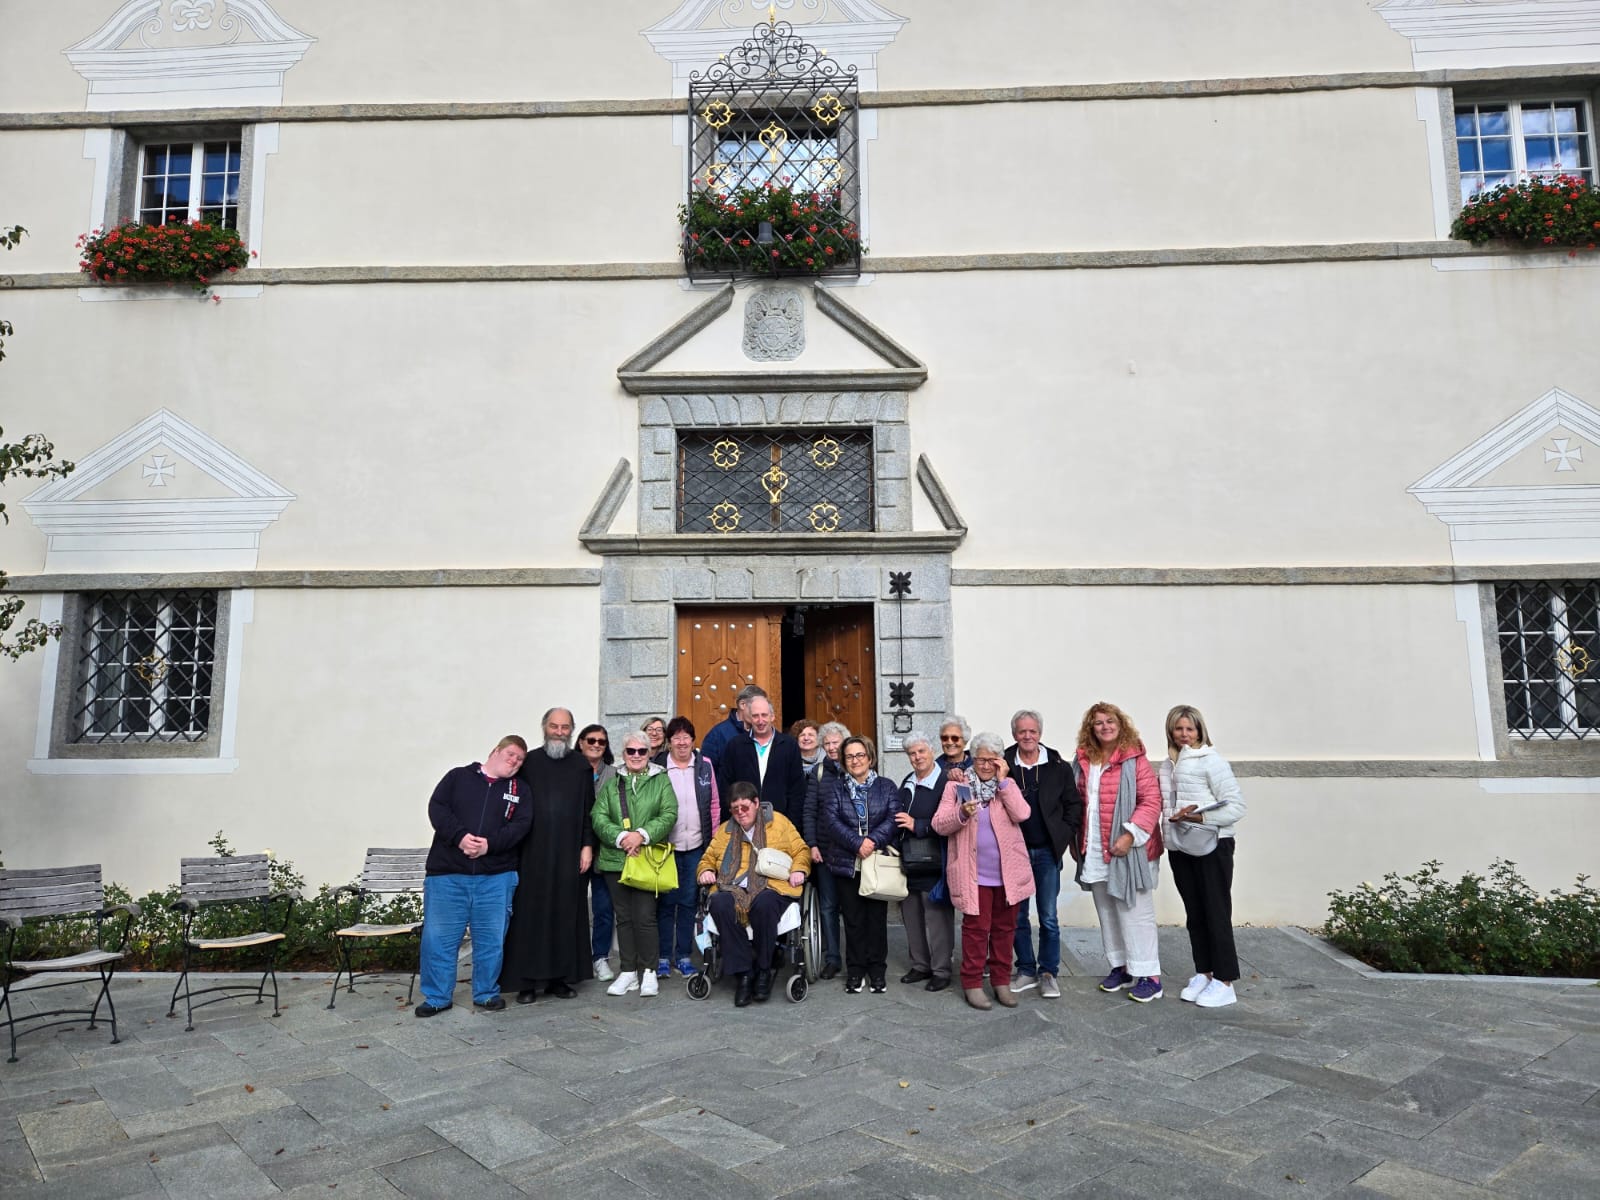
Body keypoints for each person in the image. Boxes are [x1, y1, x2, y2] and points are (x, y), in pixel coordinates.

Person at [417, 735, 533, 1017]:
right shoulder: (458, 777)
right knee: (439, 939)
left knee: (491, 940)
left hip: (496, 877)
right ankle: (437, 997)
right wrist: (460, 838)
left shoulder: (520, 790)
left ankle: (485, 993)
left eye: (520, 759)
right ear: (495, 751)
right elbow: (437, 808)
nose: (515, 761)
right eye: (510, 754)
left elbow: (521, 825)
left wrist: (489, 845)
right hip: (448, 875)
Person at [500, 709, 598, 1003]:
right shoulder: (529, 762)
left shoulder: (581, 765)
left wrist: (587, 846)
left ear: (571, 731)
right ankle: (528, 982)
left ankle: (561, 978)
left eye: (564, 727)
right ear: (545, 728)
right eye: (554, 726)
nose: (559, 732)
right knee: (530, 915)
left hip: (570, 852)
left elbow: (587, 810)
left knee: (566, 913)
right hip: (533, 852)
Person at [933, 732, 1035, 1011]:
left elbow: (1022, 814)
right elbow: (939, 824)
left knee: (1005, 930)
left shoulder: (1008, 785)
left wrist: (1003, 782)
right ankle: (973, 983)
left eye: (992, 760)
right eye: (981, 759)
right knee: (976, 931)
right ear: (972, 759)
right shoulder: (956, 786)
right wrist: (962, 814)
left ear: (1000, 761)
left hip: (1008, 874)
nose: (986, 765)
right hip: (973, 874)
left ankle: (1001, 981)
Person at [1072, 702, 1164, 1003]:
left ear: (1120, 724)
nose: (1104, 726)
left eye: (1110, 721)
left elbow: (1151, 801)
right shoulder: (1084, 760)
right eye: (1097, 722)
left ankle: (1150, 975)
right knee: (1107, 910)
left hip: (1129, 850)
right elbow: (1078, 801)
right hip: (1097, 848)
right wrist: (1078, 843)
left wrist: (1130, 835)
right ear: (1091, 728)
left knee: (1136, 912)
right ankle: (1120, 967)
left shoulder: (1134, 759)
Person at [1159, 704, 1246, 1009]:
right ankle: (1204, 973)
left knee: (1216, 912)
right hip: (1181, 847)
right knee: (1195, 913)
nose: (1184, 734)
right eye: (1178, 728)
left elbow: (1236, 807)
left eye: (1190, 729)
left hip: (1213, 845)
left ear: (1199, 731)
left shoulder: (1212, 761)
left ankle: (1225, 981)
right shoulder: (1168, 765)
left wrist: (1200, 819)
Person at [696, 781, 810, 1006]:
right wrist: (706, 870)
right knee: (719, 903)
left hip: (771, 885)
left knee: (763, 904)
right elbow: (708, 857)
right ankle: (744, 974)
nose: (740, 813)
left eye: (745, 807)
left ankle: (763, 969)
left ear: (757, 803)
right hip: (733, 886)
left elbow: (801, 850)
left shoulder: (778, 823)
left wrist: (799, 869)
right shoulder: (726, 830)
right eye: (735, 809)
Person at [591, 732, 677, 997]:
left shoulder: (661, 780)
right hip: (616, 859)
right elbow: (598, 815)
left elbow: (669, 813)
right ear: (623, 753)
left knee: (645, 917)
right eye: (631, 751)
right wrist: (621, 838)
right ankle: (628, 971)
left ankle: (649, 970)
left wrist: (641, 836)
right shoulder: (612, 781)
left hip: (645, 858)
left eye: (642, 751)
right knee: (624, 918)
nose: (637, 756)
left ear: (650, 752)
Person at [1006, 709, 1084, 1000]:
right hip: (1014, 854)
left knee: (1049, 916)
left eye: (1033, 731)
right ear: (1015, 734)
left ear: (1040, 733)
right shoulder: (1004, 763)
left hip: (1047, 852)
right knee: (1017, 916)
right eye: (1022, 731)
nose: (1027, 736)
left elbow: (1072, 805)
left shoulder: (1057, 765)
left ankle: (1048, 972)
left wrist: (1063, 836)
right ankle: (1025, 968)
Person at [817, 735, 900, 993]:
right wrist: (857, 843)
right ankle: (855, 971)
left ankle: (877, 970)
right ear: (843, 761)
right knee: (852, 920)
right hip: (847, 863)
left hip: (876, 863)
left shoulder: (886, 786)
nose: (855, 761)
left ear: (870, 758)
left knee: (876, 919)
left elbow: (893, 817)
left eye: (860, 755)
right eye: (850, 756)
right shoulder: (835, 789)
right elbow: (831, 822)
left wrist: (872, 841)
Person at [657, 715, 720, 978]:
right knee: (665, 903)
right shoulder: (658, 766)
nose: (682, 742)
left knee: (687, 902)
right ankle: (662, 957)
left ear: (693, 740)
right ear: (669, 742)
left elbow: (715, 804)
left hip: (696, 846)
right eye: (676, 737)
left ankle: (683, 956)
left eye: (686, 737)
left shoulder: (704, 765)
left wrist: (714, 841)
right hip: (666, 847)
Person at [893, 730, 953, 992]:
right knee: (912, 915)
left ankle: (941, 970)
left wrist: (918, 825)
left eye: (921, 752)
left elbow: (952, 820)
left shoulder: (945, 782)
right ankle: (920, 965)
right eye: (912, 754)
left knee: (937, 917)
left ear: (931, 752)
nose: (917, 757)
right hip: (909, 859)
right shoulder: (908, 780)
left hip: (935, 858)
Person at [801, 720, 849, 979]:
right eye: (827, 743)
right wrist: (812, 844)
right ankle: (832, 957)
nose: (831, 748)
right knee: (828, 906)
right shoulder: (819, 772)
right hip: (825, 851)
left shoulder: (857, 769)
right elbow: (809, 811)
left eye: (836, 743)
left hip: (852, 852)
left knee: (854, 906)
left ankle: (857, 956)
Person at [717, 695, 807, 824]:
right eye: (755, 716)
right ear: (749, 718)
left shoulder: (789, 745)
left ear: (772, 716)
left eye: (764, 715)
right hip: (743, 820)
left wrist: (790, 822)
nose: (760, 721)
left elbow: (797, 789)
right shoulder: (735, 745)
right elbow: (726, 786)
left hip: (780, 822)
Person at [574, 722, 617, 982]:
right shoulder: (568, 770)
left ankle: (600, 957)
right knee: (572, 906)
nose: (596, 745)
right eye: (591, 740)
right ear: (580, 742)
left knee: (603, 908)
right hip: (573, 849)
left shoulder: (613, 774)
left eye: (602, 742)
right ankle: (574, 957)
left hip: (603, 851)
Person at [701, 683, 766, 766]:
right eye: (757, 707)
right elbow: (707, 772)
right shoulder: (718, 734)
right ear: (743, 704)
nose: (760, 712)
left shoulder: (765, 733)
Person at [936, 715, 973, 779]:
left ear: (965, 741)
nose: (949, 742)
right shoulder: (935, 768)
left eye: (955, 738)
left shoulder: (977, 764)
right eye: (945, 738)